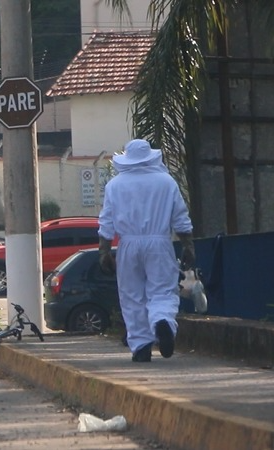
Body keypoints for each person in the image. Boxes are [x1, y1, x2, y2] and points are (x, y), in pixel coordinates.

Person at [98, 139, 195, 363]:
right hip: (159, 243)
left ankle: (141, 345)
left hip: (128, 245)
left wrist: (104, 252)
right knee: (162, 291)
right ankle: (163, 322)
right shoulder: (166, 182)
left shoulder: (115, 185)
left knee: (132, 296)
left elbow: (106, 223)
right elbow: (180, 218)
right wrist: (188, 246)